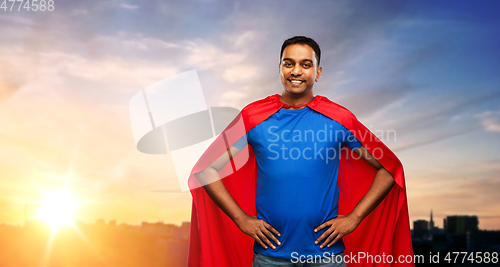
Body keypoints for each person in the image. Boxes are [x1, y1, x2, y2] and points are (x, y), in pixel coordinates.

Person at [188, 36, 413, 267]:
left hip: (326, 257)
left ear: (317, 72)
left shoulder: (340, 119)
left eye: (306, 65)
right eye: (289, 63)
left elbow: (388, 167)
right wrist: (240, 218)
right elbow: (206, 169)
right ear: (279, 69)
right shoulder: (252, 117)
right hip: (269, 257)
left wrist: (355, 217)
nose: (296, 71)